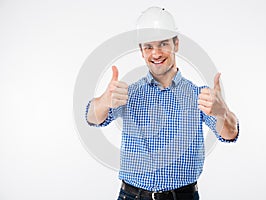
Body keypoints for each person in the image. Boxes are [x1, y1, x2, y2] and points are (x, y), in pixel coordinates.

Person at [86, 6, 239, 200]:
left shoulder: (200, 96)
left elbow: (230, 134)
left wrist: (222, 113)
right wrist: (103, 101)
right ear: (142, 51)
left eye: (163, 44)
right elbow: (92, 118)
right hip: (132, 196)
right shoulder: (127, 94)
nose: (156, 53)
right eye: (148, 47)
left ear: (176, 44)